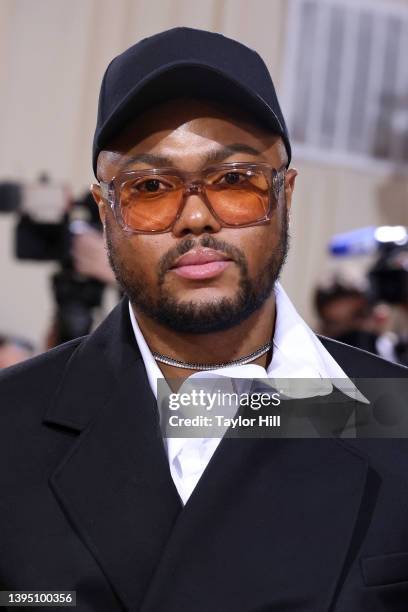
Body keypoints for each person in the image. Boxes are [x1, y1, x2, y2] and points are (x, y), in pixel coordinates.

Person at [1, 27, 408, 612]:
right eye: (150, 188)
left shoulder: (389, 414)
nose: (195, 218)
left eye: (235, 181)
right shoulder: (10, 427)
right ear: (105, 211)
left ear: (285, 194)